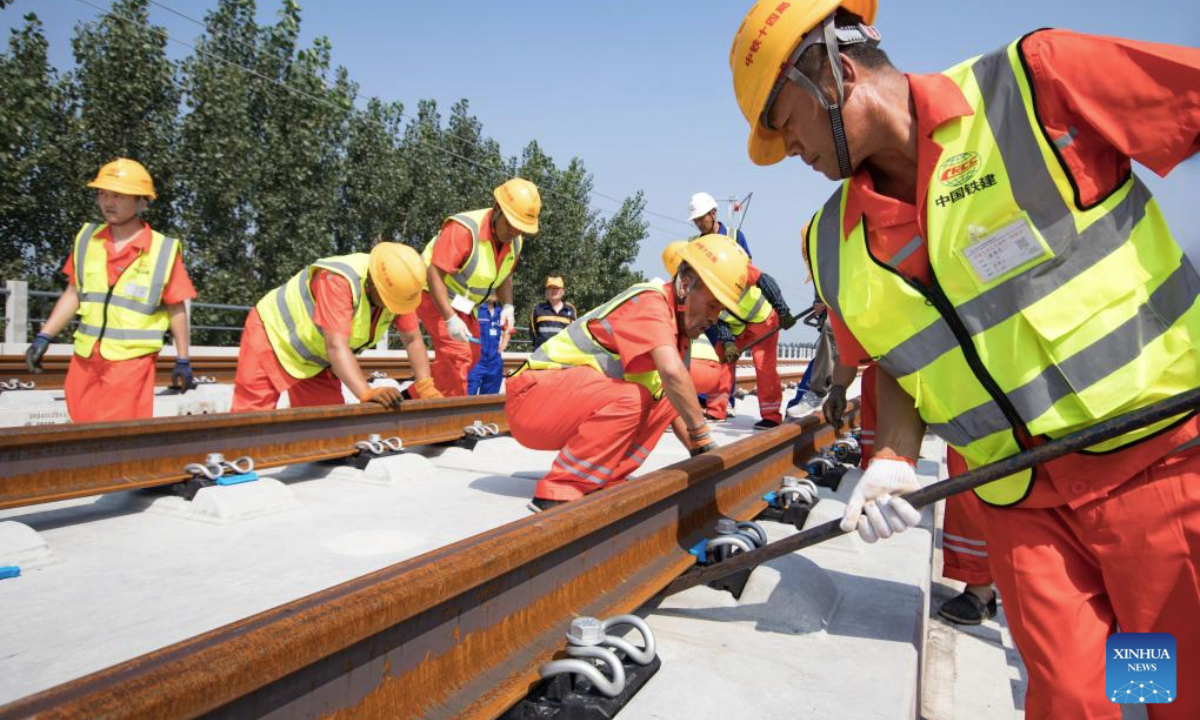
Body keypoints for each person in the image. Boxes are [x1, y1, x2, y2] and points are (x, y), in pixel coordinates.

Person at [729, 2, 1199, 718]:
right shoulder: (830, 243)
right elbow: (895, 357)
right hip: (1023, 503)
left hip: (1157, 468)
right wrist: (890, 460)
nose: (786, 148)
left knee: (1171, 687)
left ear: (833, 71)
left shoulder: (1037, 87)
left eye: (781, 119)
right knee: (1074, 698)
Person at [506, 235, 749, 513]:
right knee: (634, 397)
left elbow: (674, 399)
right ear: (685, 284)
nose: (714, 318)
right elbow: (671, 373)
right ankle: (562, 487)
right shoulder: (650, 301)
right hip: (531, 399)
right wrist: (704, 437)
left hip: (560, 401)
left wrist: (700, 453)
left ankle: (605, 477)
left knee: (668, 398)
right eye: (713, 304)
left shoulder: (677, 329)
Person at [25, 158, 196, 423]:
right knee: (81, 427)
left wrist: (182, 358)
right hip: (85, 357)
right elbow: (74, 293)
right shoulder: (87, 239)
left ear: (141, 202)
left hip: (130, 361)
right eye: (102, 194)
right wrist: (44, 337)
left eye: (117, 195)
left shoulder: (163, 250)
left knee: (115, 432)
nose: (108, 202)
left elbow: (176, 307)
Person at [231, 242, 442, 412]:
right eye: (389, 301)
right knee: (250, 419)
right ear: (372, 284)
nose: (393, 308)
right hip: (273, 336)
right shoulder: (339, 281)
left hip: (317, 357)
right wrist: (366, 393)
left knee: (326, 431)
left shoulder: (398, 291)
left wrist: (424, 385)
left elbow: (413, 340)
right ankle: (234, 463)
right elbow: (336, 346)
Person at [418, 178, 541, 396]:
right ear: (496, 209)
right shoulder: (464, 231)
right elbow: (434, 274)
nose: (514, 232)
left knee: (473, 354)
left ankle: (417, 395)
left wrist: (508, 307)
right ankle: (450, 417)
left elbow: (504, 277)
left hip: (464, 304)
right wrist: (449, 318)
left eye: (520, 228)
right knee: (458, 355)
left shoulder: (515, 241)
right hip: (433, 293)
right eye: (511, 224)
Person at [467, 292, 511, 395]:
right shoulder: (474, 308)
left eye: (497, 290)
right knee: (468, 394)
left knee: (490, 398)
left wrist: (504, 343)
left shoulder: (501, 312)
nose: (494, 293)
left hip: (494, 361)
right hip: (475, 361)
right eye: (492, 289)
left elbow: (508, 328)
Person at [689, 191, 752, 257]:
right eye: (695, 220)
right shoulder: (692, 244)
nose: (698, 224)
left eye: (701, 219)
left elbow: (747, 265)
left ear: (713, 213)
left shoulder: (736, 237)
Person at [529, 276, 577, 351]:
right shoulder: (538, 309)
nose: (553, 291)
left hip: (563, 353)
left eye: (557, 288)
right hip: (542, 354)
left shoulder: (570, 309)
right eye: (550, 288)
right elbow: (533, 332)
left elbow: (573, 331)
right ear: (546, 291)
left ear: (563, 292)